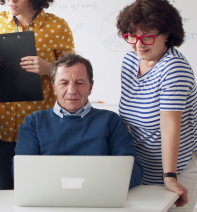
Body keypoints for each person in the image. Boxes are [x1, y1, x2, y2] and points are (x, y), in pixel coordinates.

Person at [116, 0, 197, 212]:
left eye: (147, 37)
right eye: (131, 36)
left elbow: (170, 124)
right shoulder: (130, 60)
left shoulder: (173, 68)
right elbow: (129, 119)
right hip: (144, 166)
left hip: (180, 167)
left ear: (167, 34)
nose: (138, 45)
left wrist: (170, 176)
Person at [0, 0, 75, 189]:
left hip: (42, 129)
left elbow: (72, 76)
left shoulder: (57, 26)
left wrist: (49, 68)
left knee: (40, 194)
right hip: (3, 128)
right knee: (4, 195)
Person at [15, 54, 143, 189]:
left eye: (79, 83)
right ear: (54, 87)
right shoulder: (34, 123)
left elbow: (133, 171)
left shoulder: (111, 121)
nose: (71, 91)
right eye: (64, 83)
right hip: (49, 199)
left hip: (99, 199)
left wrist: (92, 187)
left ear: (90, 87)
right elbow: (21, 171)